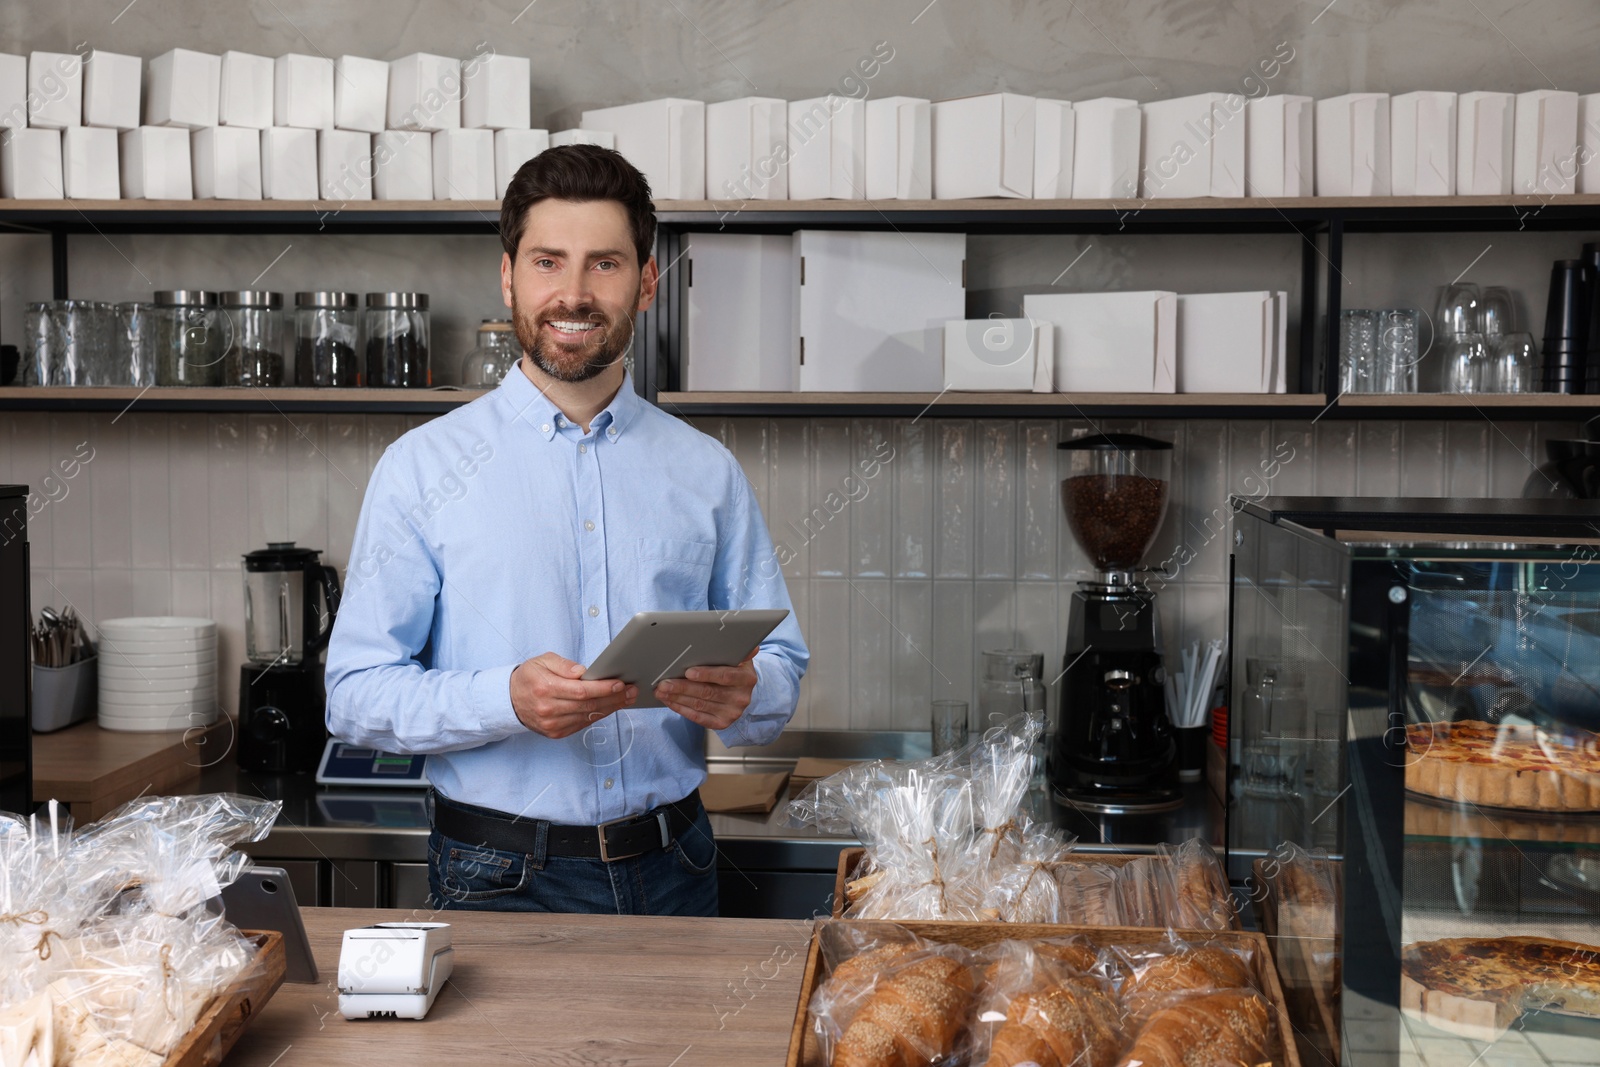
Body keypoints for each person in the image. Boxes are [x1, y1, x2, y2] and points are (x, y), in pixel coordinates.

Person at [325, 144, 809, 917]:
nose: (574, 293)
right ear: (509, 275)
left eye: (606, 264)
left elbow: (780, 664)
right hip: (497, 874)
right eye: (549, 262)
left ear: (646, 283)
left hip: (676, 864)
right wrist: (504, 700)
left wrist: (748, 693)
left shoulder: (706, 470)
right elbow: (353, 695)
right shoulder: (422, 468)